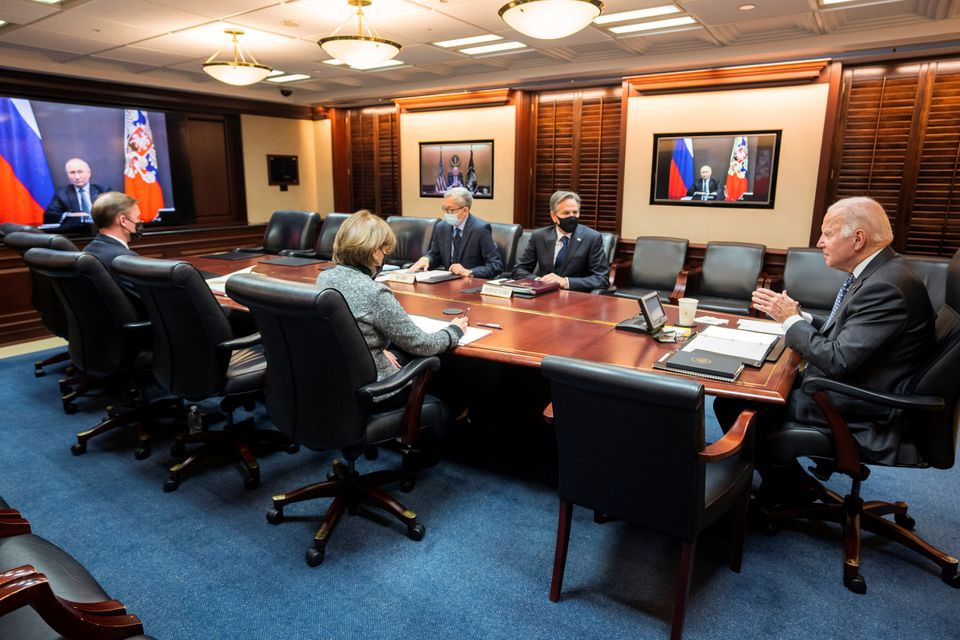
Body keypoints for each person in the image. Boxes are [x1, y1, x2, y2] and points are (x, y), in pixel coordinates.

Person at [714, 196, 936, 502]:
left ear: (858, 239)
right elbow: (849, 332)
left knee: (736, 403)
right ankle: (791, 484)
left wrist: (790, 321)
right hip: (860, 387)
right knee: (743, 394)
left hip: (862, 406)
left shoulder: (885, 287)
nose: (819, 242)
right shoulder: (883, 273)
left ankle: (787, 488)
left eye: (828, 234)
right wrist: (801, 317)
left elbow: (838, 359)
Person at [316, 210, 468, 386]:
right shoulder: (375, 292)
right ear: (374, 252)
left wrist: (372, 351)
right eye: (384, 249)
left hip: (338, 381)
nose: (384, 255)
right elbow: (422, 344)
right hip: (374, 389)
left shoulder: (324, 279)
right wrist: (454, 331)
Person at [512, 190, 610, 292]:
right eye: (566, 213)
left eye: (575, 212)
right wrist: (540, 281)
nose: (572, 217)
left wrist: (565, 282)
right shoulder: (539, 236)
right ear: (554, 216)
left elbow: (602, 279)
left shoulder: (592, 238)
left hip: (576, 297)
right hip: (545, 295)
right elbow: (519, 270)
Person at [408, 186, 503, 279]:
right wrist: (426, 259)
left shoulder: (480, 229)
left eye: (451, 210)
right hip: (446, 283)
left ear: (465, 210)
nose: (447, 213)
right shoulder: (442, 227)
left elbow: (496, 265)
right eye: (445, 209)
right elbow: (435, 255)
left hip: (471, 284)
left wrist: (469, 272)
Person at [84, 191, 142, 275]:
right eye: (138, 217)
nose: (140, 221)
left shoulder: (87, 250)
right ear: (123, 221)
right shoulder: (127, 259)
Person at [43, 158, 110, 225]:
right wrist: (70, 215)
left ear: (89, 173)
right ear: (67, 175)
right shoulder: (62, 194)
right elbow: (49, 215)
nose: (77, 177)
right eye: (72, 172)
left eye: (80, 172)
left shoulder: (103, 191)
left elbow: (113, 213)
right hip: (75, 232)